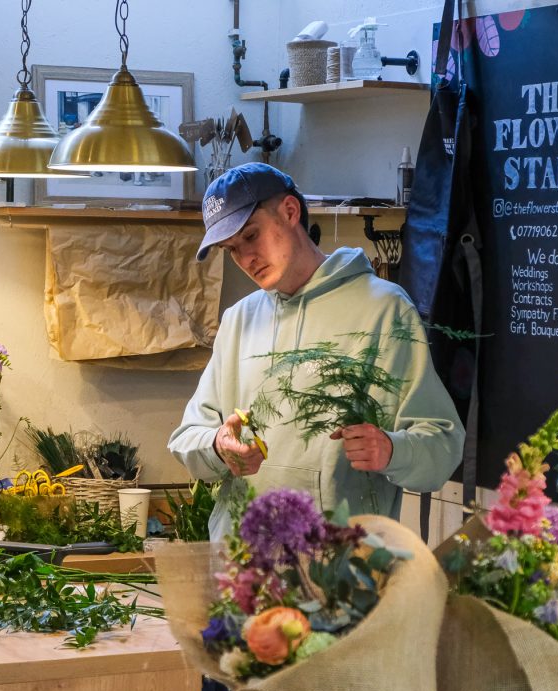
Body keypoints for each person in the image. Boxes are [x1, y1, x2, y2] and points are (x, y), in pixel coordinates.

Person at [168, 163, 464, 540]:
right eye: (232, 249)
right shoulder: (239, 320)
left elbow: (442, 442)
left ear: (291, 212)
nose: (246, 259)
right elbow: (187, 437)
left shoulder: (384, 310)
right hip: (241, 567)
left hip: (339, 568)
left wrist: (392, 450)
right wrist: (217, 445)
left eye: (252, 236)